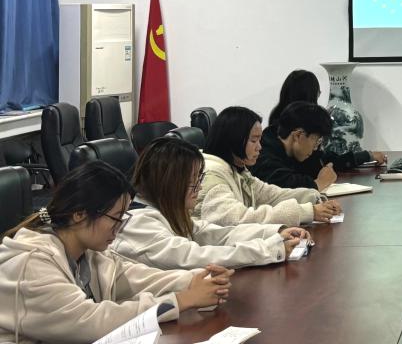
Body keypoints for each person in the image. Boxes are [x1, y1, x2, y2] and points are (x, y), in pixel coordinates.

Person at [0, 161, 231, 344]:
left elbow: (134, 277)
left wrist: (195, 280)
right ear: (79, 214)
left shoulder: (87, 253)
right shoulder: (31, 264)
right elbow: (89, 321)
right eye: (115, 218)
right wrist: (181, 301)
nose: (119, 228)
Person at [113, 137, 310, 269]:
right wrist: (269, 249)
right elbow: (195, 257)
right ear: (170, 182)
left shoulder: (166, 210)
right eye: (193, 181)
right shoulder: (138, 222)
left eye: (200, 178)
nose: (199, 187)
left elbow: (214, 233)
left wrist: (276, 233)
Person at [193, 105, 341, 226]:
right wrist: (307, 212)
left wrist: (315, 198)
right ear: (234, 140)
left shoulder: (237, 170)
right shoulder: (211, 175)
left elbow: (271, 195)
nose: (259, 147)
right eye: (254, 140)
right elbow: (238, 219)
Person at [266, 70, 386, 170]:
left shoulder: (275, 126)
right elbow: (322, 162)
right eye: (318, 95)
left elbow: (322, 159)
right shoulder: (297, 132)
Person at [253, 101, 345, 191]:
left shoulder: (294, 151)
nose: (316, 148)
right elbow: (281, 187)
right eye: (316, 141)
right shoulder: (263, 155)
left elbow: (319, 161)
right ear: (298, 135)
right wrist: (319, 183)